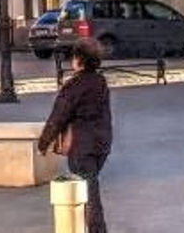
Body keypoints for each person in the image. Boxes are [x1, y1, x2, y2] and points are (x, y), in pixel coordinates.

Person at [38, 38, 113, 233]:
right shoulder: (100, 81)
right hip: (102, 144)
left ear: (79, 60)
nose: (72, 61)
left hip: (82, 146)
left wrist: (43, 143)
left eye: (73, 57)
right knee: (89, 186)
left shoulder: (74, 86)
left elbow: (58, 116)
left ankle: (97, 230)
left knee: (89, 194)